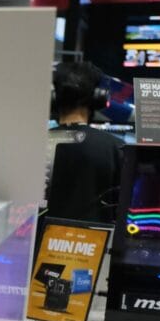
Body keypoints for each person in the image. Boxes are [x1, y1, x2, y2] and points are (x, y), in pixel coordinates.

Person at [45, 61, 124, 223]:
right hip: (97, 245)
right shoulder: (116, 148)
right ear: (98, 98)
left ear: (54, 98)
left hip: (37, 244)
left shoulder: (35, 144)